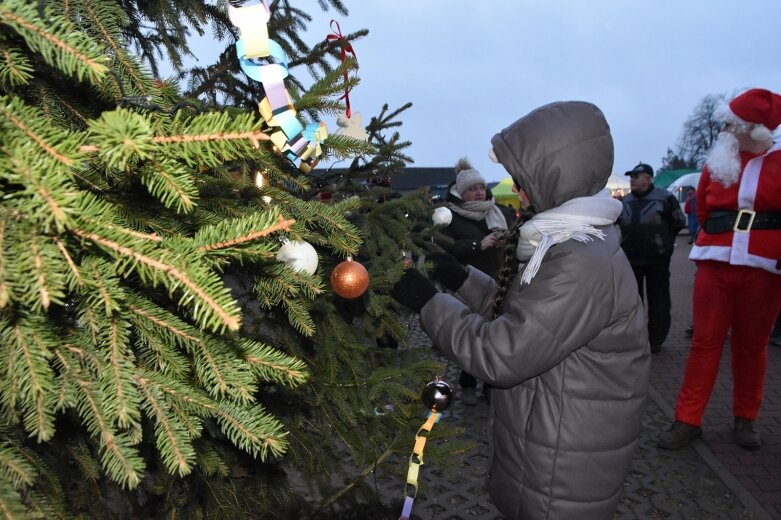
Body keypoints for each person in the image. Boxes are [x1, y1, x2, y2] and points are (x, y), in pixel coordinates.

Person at [391, 101, 650, 519]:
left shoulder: (579, 261)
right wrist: (457, 277)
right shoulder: (568, 241)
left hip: (562, 471)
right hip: (549, 447)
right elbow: (522, 311)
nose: (520, 191)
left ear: (556, 177)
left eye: (525, 180)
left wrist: (424, 299)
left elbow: (500, 353)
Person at [658, 88, 781, 451]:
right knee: (704, 343)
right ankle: (687, 419)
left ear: (756, 129)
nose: (725, 129)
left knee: (752, 346)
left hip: (763, 267)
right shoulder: (716, 165)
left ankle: (746, 417)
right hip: (716, 264)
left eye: (731, 124)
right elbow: (706, 212)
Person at [440, 158, 516, 404]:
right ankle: (468, 381)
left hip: (500, 280)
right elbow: (445, 247)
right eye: (473, 189)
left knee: (498, 335)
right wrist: (477, 245)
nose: (479, 192)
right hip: (469, 284)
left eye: (481, 187)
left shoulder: (498, 211)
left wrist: (507, 243)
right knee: (473, 335)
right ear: (462, 193)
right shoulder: (450, 216)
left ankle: (491, 386)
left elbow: (518, 237)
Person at [618, 163, 686, 353]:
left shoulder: (665, 198)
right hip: (631, 259)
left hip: (657, 259)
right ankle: (635, 337)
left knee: (659, 300)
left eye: (636, 176)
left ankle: (655, 339)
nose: (632, 180)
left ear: (648, 178)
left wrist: (664, 245)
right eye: (631, 176)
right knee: (633, 301)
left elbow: (679, 222)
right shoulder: (626, 200)